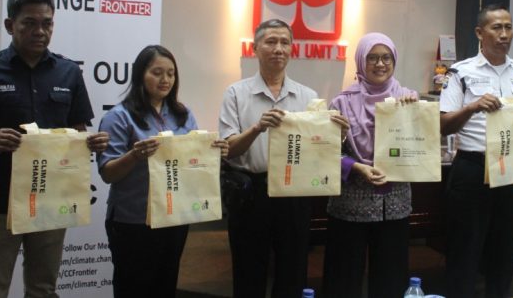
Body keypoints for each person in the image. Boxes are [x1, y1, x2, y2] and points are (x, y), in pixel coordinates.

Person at [0, 0, 109, 298]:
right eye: (30, 23)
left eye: (47, 23)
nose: (40, 31)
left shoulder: (68, 72)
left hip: (52, 196)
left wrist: (91, 142)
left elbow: (78, 133)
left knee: (43, 288)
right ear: (10, 25)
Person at [218, 18, 348, 297]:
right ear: (255, 48)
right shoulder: (236, 93)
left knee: (293, 269)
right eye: (271, 42)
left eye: (285, 42)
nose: (278, 48)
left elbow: (318, 150)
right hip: (251, 192)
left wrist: (338, 136)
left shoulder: (308, 96)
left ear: (292, 49)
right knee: (248, 270)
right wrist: (256, 128)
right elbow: (228, 148)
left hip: (294, 194)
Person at [97, 45, 228, 297]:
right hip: (133, 220)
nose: (165, 79)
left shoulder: (182, 114)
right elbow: (108, 173)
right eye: (157, 73)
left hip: (174, 217)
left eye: (171, 73)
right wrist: (135, 155)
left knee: (166, 286)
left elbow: (192, 164)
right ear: (140, 75)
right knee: (132, 288)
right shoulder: (119, 117)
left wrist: (214, 153)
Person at [439, 5, 513, 298]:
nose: (504, 34)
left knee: (504, 249)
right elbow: (443, 125)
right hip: (473, 169)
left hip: (510, 170)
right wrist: (472, 107)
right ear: (479, 33)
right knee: (465, 250)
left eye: (508, 27)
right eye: (496, 27)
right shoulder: (460, 71)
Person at [322, 33, 418, 298]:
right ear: (361, 62)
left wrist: (414, 114)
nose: (380, 64)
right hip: (350, 206)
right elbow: (326, 153)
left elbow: (420, 146)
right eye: (372, 58)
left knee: (391, 279)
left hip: (394, 205)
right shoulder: (341, 103)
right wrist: (355, 166)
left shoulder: (408, 99)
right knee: (343, 278)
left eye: (386, 57)